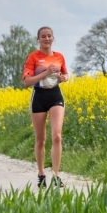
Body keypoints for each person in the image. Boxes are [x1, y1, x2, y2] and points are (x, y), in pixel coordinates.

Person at [22, 26, 69, 189]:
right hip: (39, 96)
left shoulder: (59, 56)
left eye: (49, 36)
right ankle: (41, 174)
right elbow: (27, 82)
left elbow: (65, 74)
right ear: (38, 39)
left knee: (56, 136)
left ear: (53, 38)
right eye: (43, 36)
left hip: (55, 95)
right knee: (40, 139)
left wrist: (64, 77)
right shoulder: (33, 57)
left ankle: (56, 175)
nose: (46, 39)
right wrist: (46, 72)